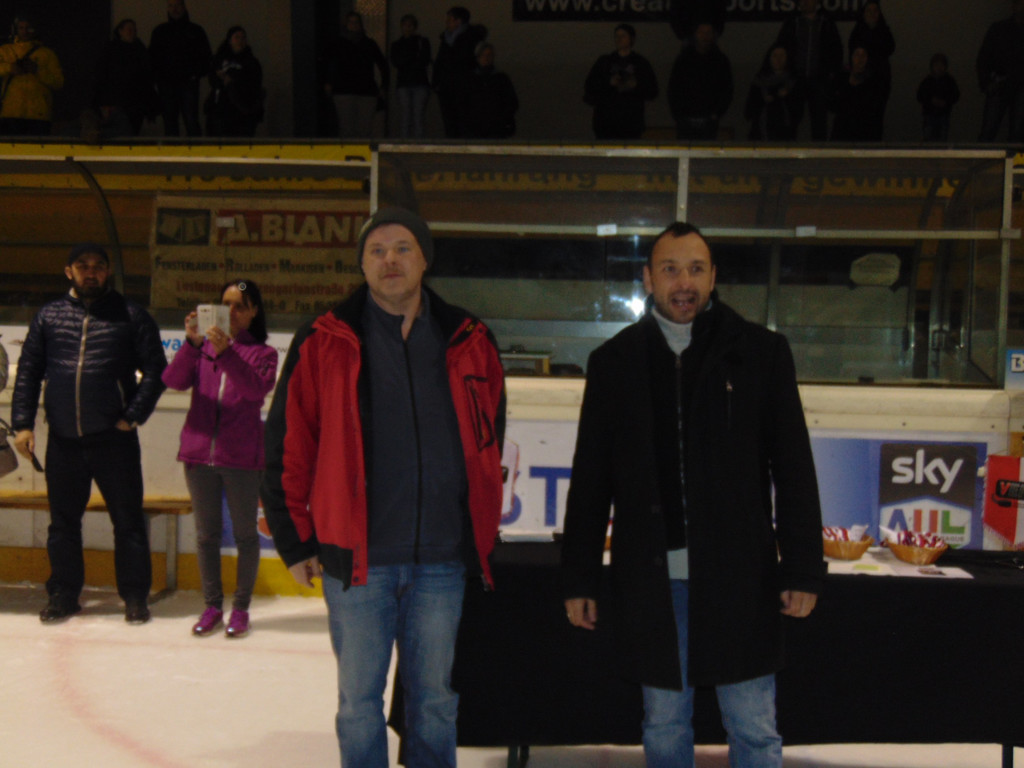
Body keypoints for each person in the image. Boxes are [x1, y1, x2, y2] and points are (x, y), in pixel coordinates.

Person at [561, 223, 824, 768]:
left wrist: (802, 568)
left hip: (741, 578)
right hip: (652, 581)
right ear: (647, 278)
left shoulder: (761, 353)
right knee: (663, 724)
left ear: (714, 277)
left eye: (696, 269)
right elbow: (591, 481)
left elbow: (794, 468)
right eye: (670, 269)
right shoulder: (613, 362)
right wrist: (580, 578)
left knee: (754, 728)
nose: (684, 282)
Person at [261, 207, 506, 767]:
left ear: (424, 260)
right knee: (358, 704)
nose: (389, 260)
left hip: (442, 561)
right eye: (376, 250)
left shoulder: (469, 337)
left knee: (435, 701)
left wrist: (478, 531)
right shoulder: (324, 338)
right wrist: (295, 541)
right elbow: (288, 446)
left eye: (402, 248)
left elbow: (488, 436)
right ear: (362, 264)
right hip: (358, 562)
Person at [10, 244, 167, 625]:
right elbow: (29, 372)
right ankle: (63, 595)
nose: (91, 272)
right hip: (64, 440)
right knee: (63, 525)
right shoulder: (49, 316)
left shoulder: (131, 315)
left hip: (114, 439)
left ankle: (135, 597)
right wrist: (23, 424)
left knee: (128, 522)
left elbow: (157, 370)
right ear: (69, 272)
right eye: (83, 266)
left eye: (98, 266)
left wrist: (132, 416)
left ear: (108, 271)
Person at [162, 280, 277, 638]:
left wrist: (227, 353)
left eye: (240, 305)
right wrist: (192, 344)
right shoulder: (202, 350)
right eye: (226, 304)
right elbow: (173, 380)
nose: (232, 312)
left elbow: (254, 391)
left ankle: (240, 608)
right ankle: (212, 605)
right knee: (207, 535)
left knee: (245, 535)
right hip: (199, 454)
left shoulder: (264, 354)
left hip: (240, 457)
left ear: (254, 311)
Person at [775, 0, 843, 140]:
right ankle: (789, 149)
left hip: (819, 79)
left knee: (819, 122)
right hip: (795, 79)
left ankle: (819, 151)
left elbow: (836, 50)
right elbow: (781, 47)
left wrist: (831, 75)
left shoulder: (826, 23)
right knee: (790, 121)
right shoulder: (792, 22)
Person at [584, 24, 658, 140]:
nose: (619, 39)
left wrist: (636, 85)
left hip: (631, 123)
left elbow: (653, 90)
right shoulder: (604, 62)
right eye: (616, 36)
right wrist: (609, 82)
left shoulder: (640, 63)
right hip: (606, 122)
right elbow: (590, 86)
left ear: (631, 39)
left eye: (623, 36)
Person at [149, 0, 211, 137]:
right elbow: (153, 58)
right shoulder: (160, 32)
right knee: (170, 122)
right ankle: (176, 150)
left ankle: (194, 150)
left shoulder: (195, 31)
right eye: (171, 6)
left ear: (184, 7)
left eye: (177, 5)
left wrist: (195, 74)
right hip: (167, 84)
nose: (174, 9)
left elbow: (206, 57)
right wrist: (158, 78)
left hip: (187, 83)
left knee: (191, 121)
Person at [325, 12, 389, 139]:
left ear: (360, 24)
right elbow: (330, 64)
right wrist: (328, 81)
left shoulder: (369, 44)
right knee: (347, 128)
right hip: (345, 90)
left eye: (356, 22)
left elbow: (383, 65)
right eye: (351, 22)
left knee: (364, 129)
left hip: (365, 91)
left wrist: (384, 86)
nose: (354, 25)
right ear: (346, 24)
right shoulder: (338, 43)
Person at [92, 19, 157, 139]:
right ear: (120, 31)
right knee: (120, 132)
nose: (132, 33)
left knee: (131, 132)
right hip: (117, 102)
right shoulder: (111, 50)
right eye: (129, 30)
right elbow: (102, 76)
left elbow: (147, 77)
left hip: (136, 102)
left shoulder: (140, 49)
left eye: (134, 30)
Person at [667, 22, 733, 141]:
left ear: (713, 35)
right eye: (701, 32)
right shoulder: (683, 60)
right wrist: (678, 114)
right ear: (695, 34)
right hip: (685, 119)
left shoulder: (720, 61)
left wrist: (717, 113)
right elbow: (674, 89)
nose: (704, 36)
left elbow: (727, 90)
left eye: (708, 33)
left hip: (709, 119)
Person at [0, 15, 64, 137]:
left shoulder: (47, 54)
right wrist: (10, 68)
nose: (24, 31)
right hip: (12, 113)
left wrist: (37, 70)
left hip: (38, 114)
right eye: (21, 28)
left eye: (28, 28)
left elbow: (58, 82)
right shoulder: (5, 51)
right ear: (16, 30)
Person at [433, 6, 487, 138]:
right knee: (449, 121)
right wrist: (437, 82)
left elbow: (467, 61)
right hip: (447, 87)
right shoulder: (446, 39)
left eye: (449, 20)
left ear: (458, 21)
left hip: (463, 86)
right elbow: (440, 61)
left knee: (463, 120)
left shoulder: (470, 38)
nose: (446, 23)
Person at [976, 0, 1024, 143]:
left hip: (1018, 85)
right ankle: (982, 156)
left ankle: (1014, 158)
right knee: (989, 129)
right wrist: (987, 82)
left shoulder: (999, 28)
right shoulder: (999, 29)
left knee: (1017, 133)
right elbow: (984, 57)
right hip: (999, 82)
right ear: (1014, 6)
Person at [205, 26, 264, 138]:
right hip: (220, 109)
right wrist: (220, 78)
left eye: (243, 38)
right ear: (229, 40)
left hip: (242, 111)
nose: (240, 41)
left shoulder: (252, 62)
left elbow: (254, 83)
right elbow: (212, 79)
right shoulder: (219, 59)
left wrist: (233, 81)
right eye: (237, 37)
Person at [847, 0, 894, 137]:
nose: (872, 14)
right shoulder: (857, 32)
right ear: (863, 13)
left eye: (875, 11)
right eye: (869, 11)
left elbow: (890, 48)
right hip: (861, 80)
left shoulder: (884, 31)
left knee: (876, 117)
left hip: (880, 81)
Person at [829, 46, 887, 141]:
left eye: (863, 56)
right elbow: (832, 104)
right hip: (842, 136)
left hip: (863, 136)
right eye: (857, 55)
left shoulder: (873, 85)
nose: (860, 60)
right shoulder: (841, 81)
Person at [745, 44, 800, 141]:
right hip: (760, 131)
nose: (778, 59)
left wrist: (787, 96)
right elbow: (749, 110)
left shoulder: (793, 82)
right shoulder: (759, 81)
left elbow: (798, 111)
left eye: (782, 56)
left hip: (785, 132)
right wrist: (763, 100)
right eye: (775, 56)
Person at [463, 42, 518, 139]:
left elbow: (512, 102)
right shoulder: (470, 80)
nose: (486, 58)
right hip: (475, 129)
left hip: (497, 129)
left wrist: (502, 119)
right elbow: (464, 104)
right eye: (483, 55)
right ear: (478, 57)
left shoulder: (501, 79)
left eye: (489, 55)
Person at [391, 14, 432, 139]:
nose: (407, 28)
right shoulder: (397, 44)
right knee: (406, 116)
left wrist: (407, 59)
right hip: (406, 83)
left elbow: (424, 60)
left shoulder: (421, 42)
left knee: (416, 116)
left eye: (410, 25)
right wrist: (412, 57)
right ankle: (406, 142)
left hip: (417, 83)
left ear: (414, 27)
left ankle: (415, 143)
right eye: (405, 25)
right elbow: (396, 62)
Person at [917, 52, 960, 142]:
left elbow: (955, 95)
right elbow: (920, 95)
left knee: (942, 139)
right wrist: (931, 101)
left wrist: (946, 102)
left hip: (943, 115)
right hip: (929, 114)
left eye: (941, 65)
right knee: (928, 138)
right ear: (932, 67)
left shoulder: (949, 81)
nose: (939, 68)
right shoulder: (927, 81)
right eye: (936, 65)